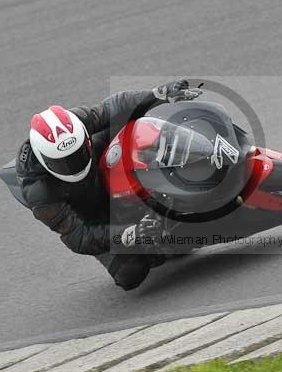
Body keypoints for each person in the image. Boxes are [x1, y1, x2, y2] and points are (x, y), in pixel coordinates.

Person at [15, 80, 201, 290]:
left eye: (76, 153)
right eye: (62, 161)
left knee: (132, 122)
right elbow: (78, 237)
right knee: (130, 273)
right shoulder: (39, 192)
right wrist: (129, 233)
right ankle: (155, 243)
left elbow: (117, 105)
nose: (73, 164)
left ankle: (185, 165)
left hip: (96, 158)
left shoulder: (77, 122)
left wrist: (157, 94)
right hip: (85, 210)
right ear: (44, 159)